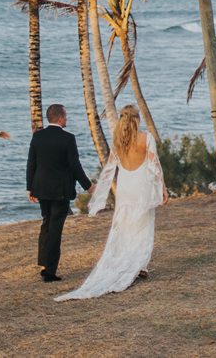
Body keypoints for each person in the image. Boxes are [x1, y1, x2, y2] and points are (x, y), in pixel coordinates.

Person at [55, 104, 168, 301]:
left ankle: (130, 263)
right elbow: (154, 165)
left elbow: (109, 169)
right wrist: (162, 188)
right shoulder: (145, 138)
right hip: (141, 185)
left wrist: (99, 194)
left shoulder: (118, 141)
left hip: (125, 187)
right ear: (136, 119)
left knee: (124, 226)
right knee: (142, 225)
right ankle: (139, 265)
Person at [26, 103, 93, 283]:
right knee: (55, 229)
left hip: (40, 189)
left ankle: (43, 263)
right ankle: (50, 271)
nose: (67, 119)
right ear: (61, 117)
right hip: (60, 191)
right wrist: (89, 186)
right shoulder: (68, 138)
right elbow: (75, 166)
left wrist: (29, 187)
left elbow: (31, 163)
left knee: (46, 223)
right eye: (66, 115)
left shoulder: (38, 137)